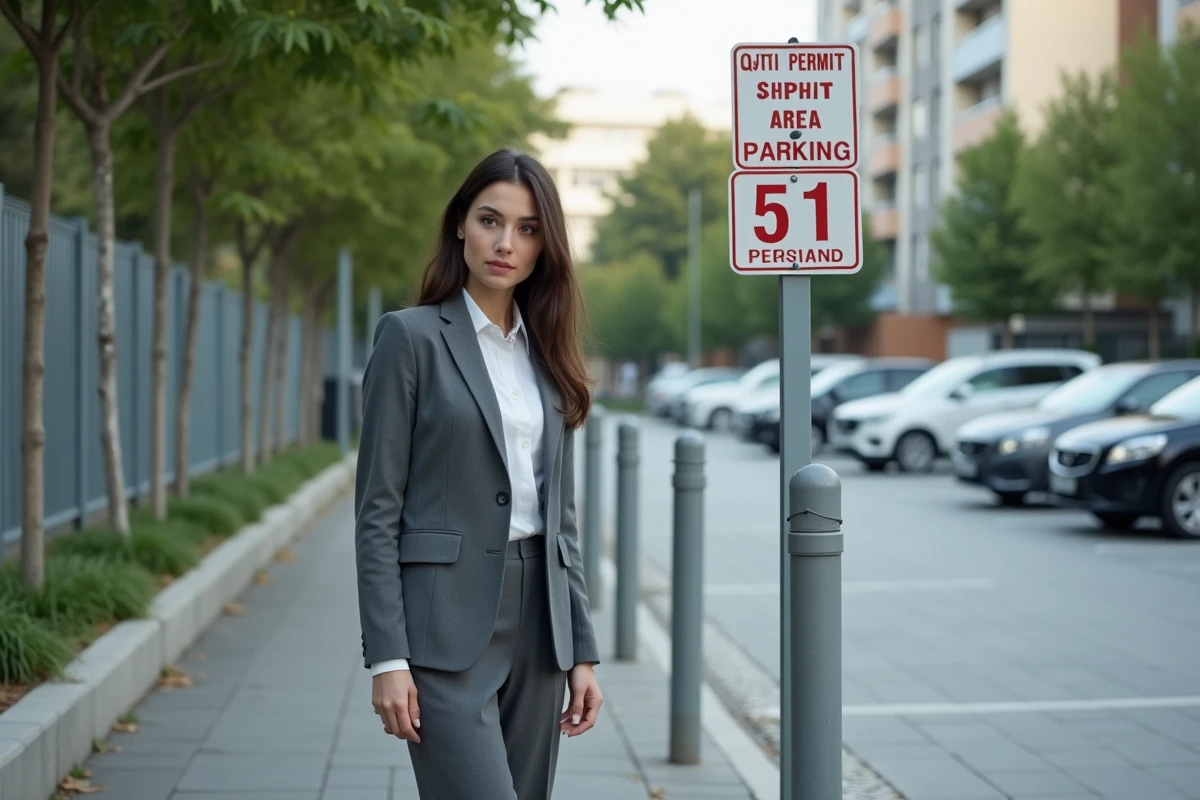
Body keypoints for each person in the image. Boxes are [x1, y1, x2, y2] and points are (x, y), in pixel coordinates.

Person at [353, 148, 603, 799]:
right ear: (461, 224)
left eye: (527, 229)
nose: (505, 243)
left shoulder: (548, 354)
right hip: (444, 625)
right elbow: (377, 511)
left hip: (540, 628)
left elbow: (561, 521)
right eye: (491, 220)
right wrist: (387, 657)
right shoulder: (409, 339)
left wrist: (581, 648)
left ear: (545, 246)